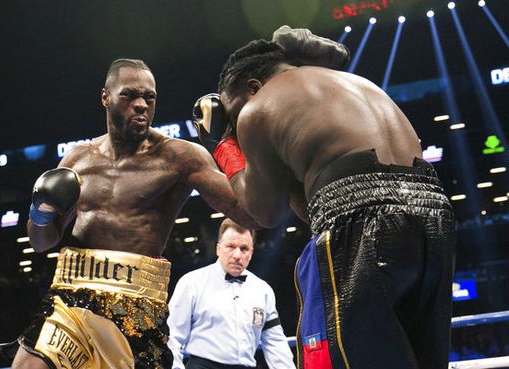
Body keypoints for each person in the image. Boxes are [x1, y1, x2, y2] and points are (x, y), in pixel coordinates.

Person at [193, 26, 455, 369]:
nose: (237, 119)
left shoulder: (258, 108)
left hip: (362, 217)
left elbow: (263, 212)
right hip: (434, 212)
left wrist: (224, 143)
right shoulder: (354, 84)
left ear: (252, 88)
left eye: (233, 109)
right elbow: (315, 204)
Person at [8, 58, 258, 369]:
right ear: (106, 97)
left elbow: (248, 212)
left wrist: (225, 146)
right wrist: (40, 213)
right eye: (129, 95)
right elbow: (41, 243)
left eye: (149, 98)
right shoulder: (78, 159)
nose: (141, 105)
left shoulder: (179, 157)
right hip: (70, 298)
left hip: (135, 306)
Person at [167, 218, 295, 369]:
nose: (237, 255)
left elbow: (276, 343)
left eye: (244, 248)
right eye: (231, 246)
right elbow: (172, 337)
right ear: (218, 249)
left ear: (251, 252)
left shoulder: (263, 290)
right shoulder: (192, 283)